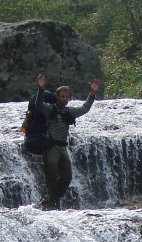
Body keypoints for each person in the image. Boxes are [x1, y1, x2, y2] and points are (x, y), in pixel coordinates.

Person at [32, 74, 101, 210]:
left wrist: (92, 93)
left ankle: (50, 201)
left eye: (66, 96)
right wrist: (40, 90)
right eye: (61, 96)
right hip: (51, 146)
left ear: (69, 98)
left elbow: (85, 108)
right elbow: (38, 105)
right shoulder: (50, 109)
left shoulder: (70, 112)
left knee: (67, 176)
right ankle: (53, 205)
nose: (64, 99)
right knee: (51, 178)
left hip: (62, 148)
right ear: (57, 97)